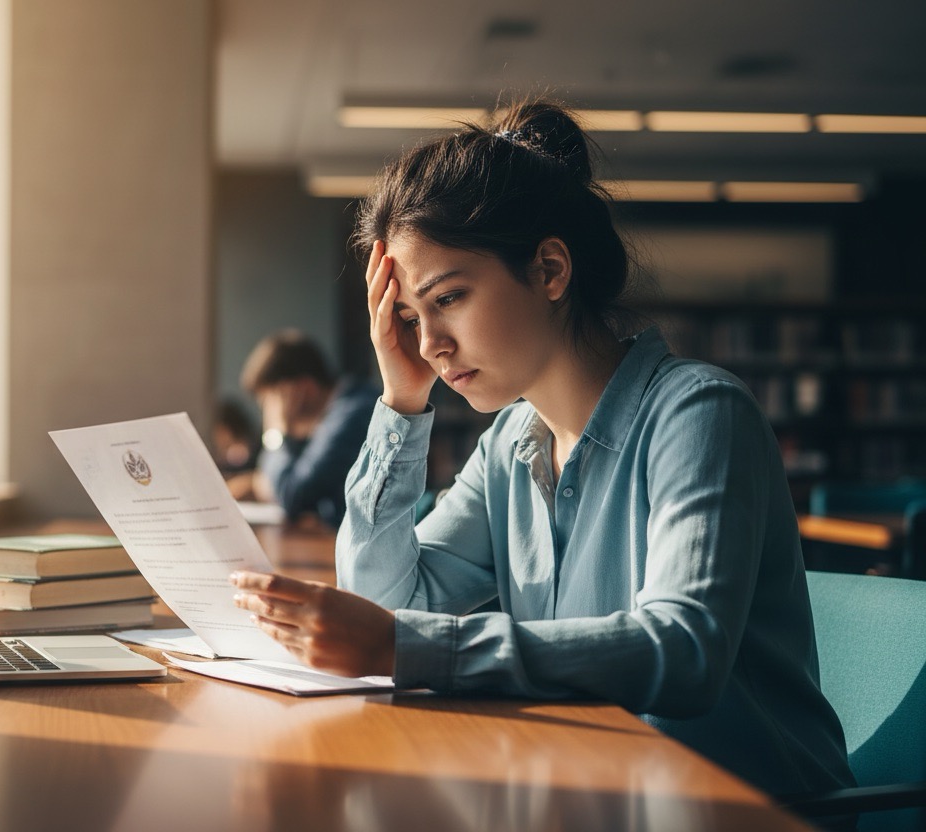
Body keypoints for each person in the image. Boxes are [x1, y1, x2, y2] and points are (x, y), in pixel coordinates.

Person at [230, 99, 855, 800]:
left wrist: (404, 646)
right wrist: (400, 403)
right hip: (594, 789)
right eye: (409, 317)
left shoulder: (700, 412)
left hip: (739, 807)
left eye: (450, 298)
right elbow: (384, 602)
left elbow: (684, 653)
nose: (430, 344)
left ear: (551, 270)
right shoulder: (508, 445)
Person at [227, 330, 377, 528]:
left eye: (271, 400)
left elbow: (292, 496)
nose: (267, 412)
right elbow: (273, 481)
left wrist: (278, 431)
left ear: (305, 388)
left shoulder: (352, 415)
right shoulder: (333, 415)